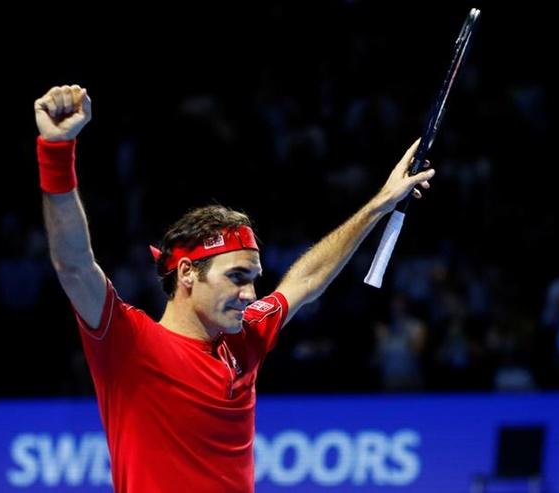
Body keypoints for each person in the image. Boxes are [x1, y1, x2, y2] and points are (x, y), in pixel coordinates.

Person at [34, 84, 434, 493]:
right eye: (237, 278)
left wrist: (378, 204)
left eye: (254, 278)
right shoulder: (128, 344)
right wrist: (56, 151)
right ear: (187, 273)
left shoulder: (245, 338)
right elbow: (74, 265)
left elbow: (307, 279)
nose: (250, 294)